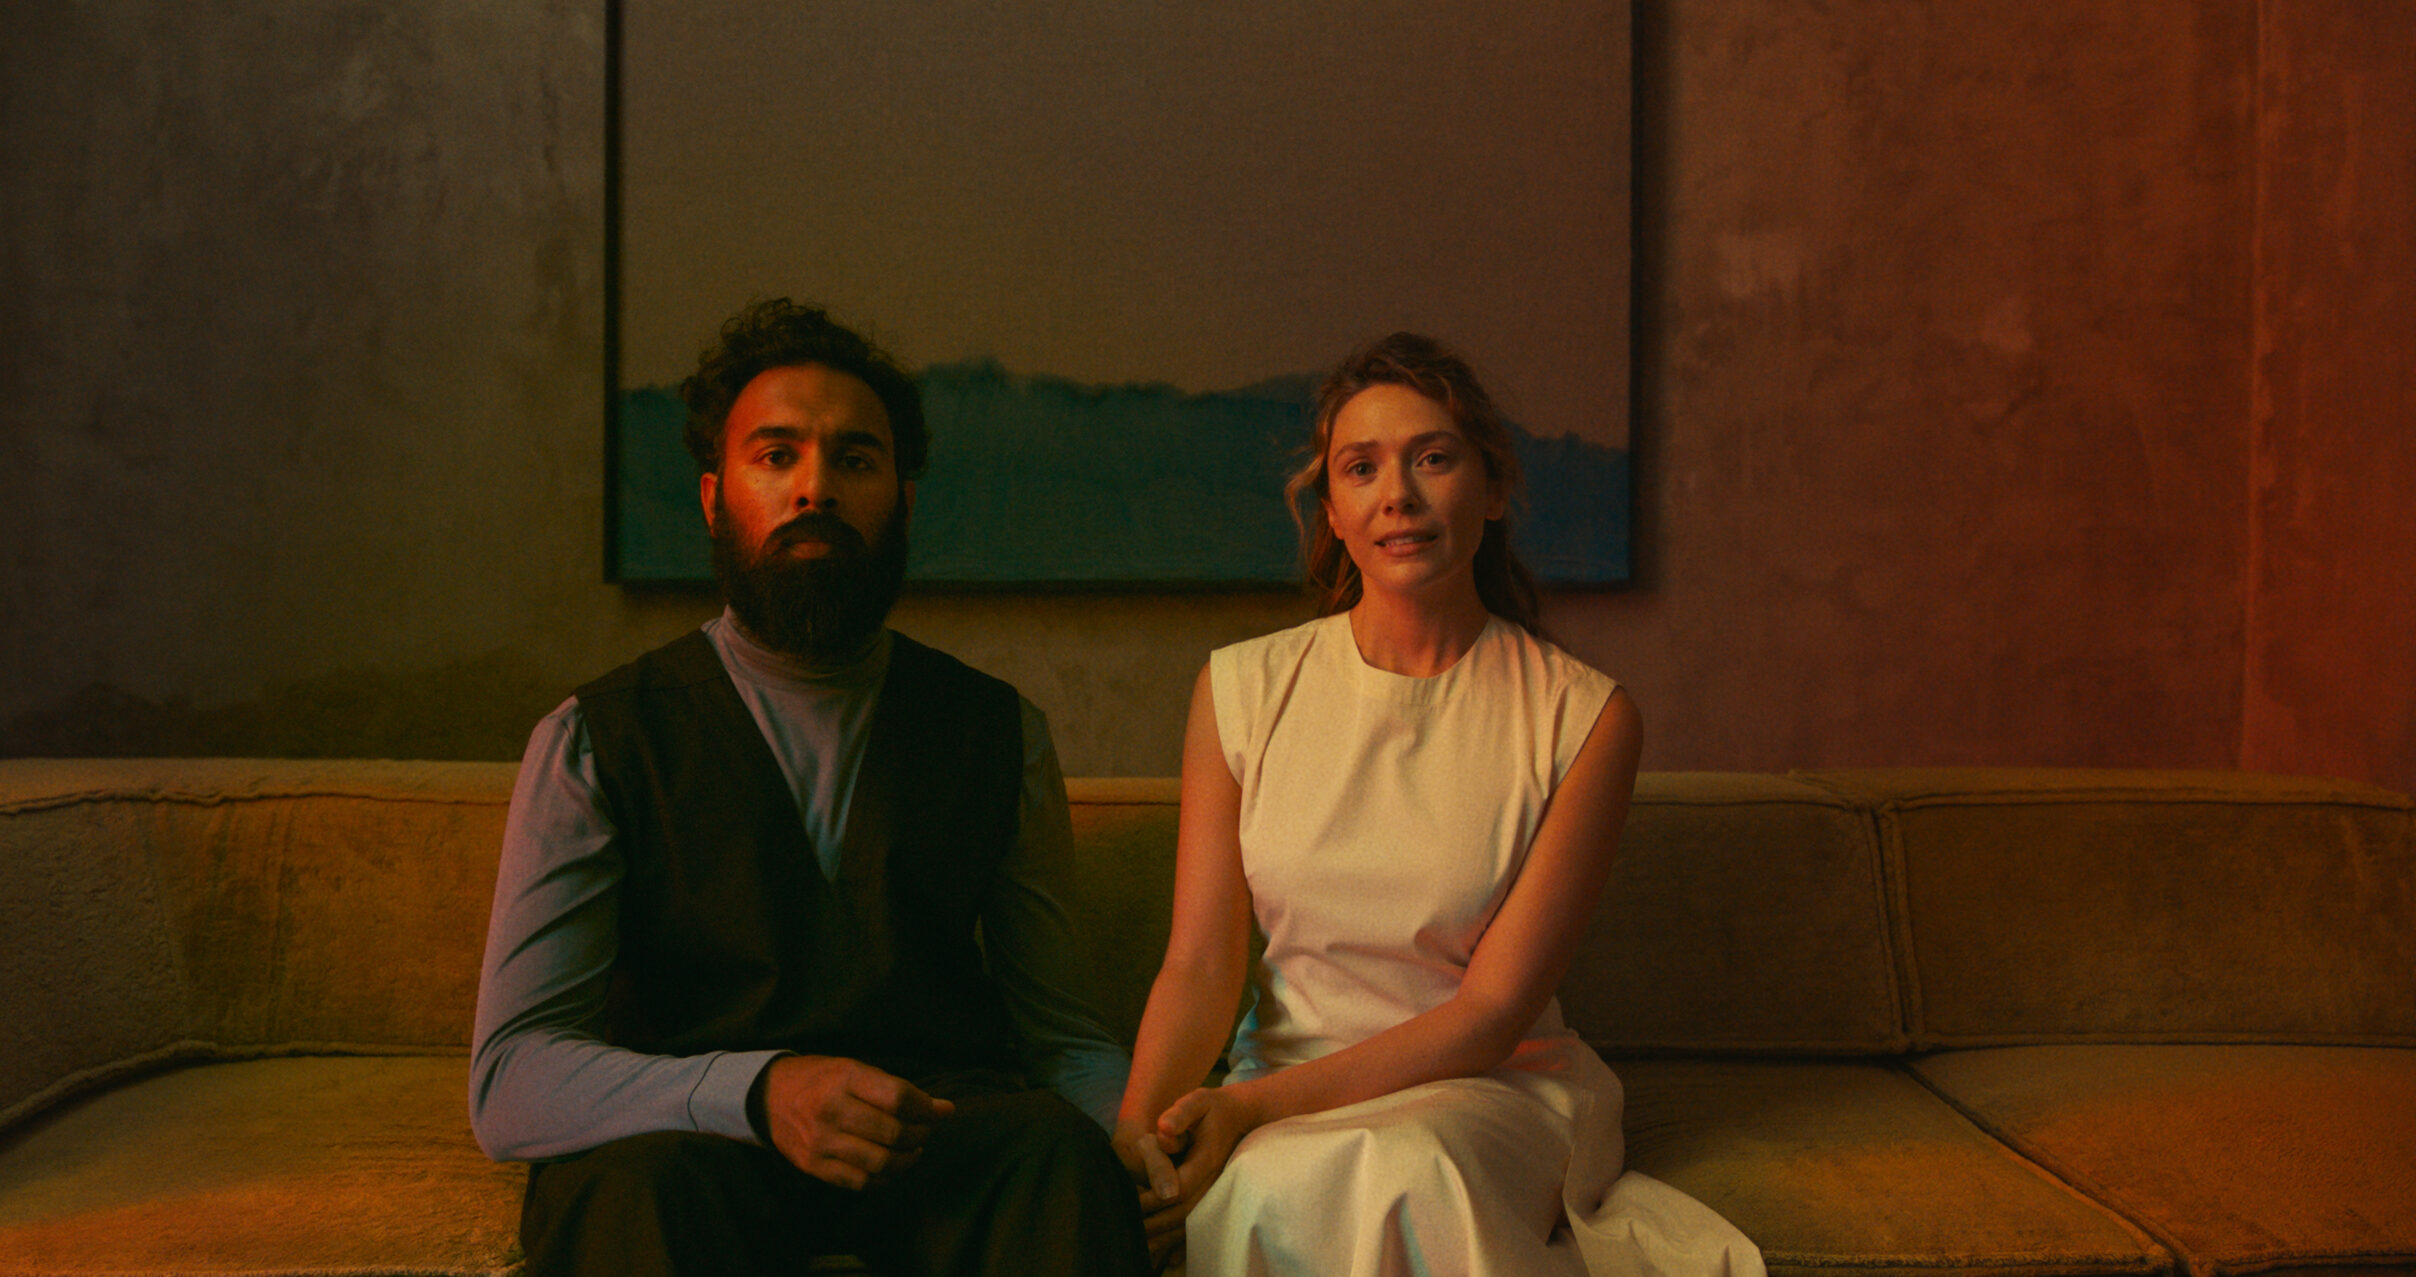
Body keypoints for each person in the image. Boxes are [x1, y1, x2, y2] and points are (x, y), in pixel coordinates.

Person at [470, 298, 1151, 1276]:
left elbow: (1065, 1037)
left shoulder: (999, 732)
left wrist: (1145, 1139)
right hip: (695, 1141)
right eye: (777, 455)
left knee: (1057, 1155)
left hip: (934, 1132)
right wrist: (761, 1091)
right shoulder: (596, 739)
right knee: (627, 1187)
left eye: (854, 459)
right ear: (714, 498)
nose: (815, 487)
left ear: (903, 502)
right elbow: (512, 1075)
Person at [1111, 333, 1766, 1276]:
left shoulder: (1583, 716)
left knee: (1404, 1166)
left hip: (1490, 1088)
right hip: (1286, 1081)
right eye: (1362, 468)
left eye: (1432, 458)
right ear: (1333, 512)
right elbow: (1200, 963)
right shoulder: (1239, 690)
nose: (1398, 495)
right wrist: (1137, 1133)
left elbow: (1493, 1011)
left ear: (1492, 490)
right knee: (1271, 1185)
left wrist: (1251, 1109)